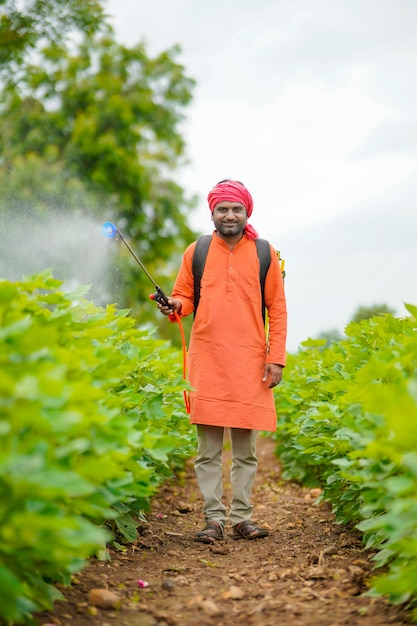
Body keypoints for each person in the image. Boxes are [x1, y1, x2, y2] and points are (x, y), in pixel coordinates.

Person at [158, 179, 287, 542]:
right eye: (222, 209)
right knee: (208, 451)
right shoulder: (196, 251)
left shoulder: (265, 253)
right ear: (212, 213)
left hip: (250, 362)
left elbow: (277, 309)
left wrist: (275, 358)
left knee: (246, 452)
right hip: (208, 361)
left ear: (247, 213)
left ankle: (242, 518)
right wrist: (174, 305)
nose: (229, 215)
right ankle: (213, 519)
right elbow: (184, 297)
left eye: (236, 209)